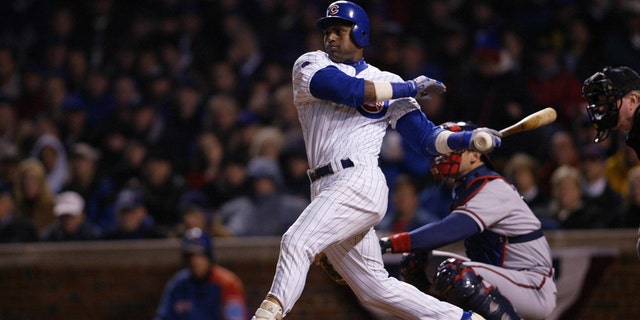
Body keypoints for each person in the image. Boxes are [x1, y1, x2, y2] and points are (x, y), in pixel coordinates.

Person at [251, 2, 502, 320]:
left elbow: (427, 140)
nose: (330, 36)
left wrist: (469, 139)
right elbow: (348, 90)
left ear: (361, 33)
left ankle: (267, 313)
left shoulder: (386, 79)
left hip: (359, 180)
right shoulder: (309, 64)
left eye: (340, 30)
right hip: (324, 187)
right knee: (375, 289)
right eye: (328, 30)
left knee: (296, 240)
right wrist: (408, 87)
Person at [379, 122, 556, 320]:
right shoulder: (464, 188)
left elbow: (447, 231)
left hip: (531, 285)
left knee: (453, 273)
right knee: (415, 262)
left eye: (453, 149)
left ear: (475, 154)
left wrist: (387, 244)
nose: (444, 155)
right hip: (501, 278)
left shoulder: (494, 188)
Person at [154, 227, 248, 320]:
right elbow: (163, 316)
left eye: (200, 255)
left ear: (209, 256)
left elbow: (236, 318)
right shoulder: (178, 284)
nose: (194, 261)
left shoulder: (227, 283)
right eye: (190, 256)